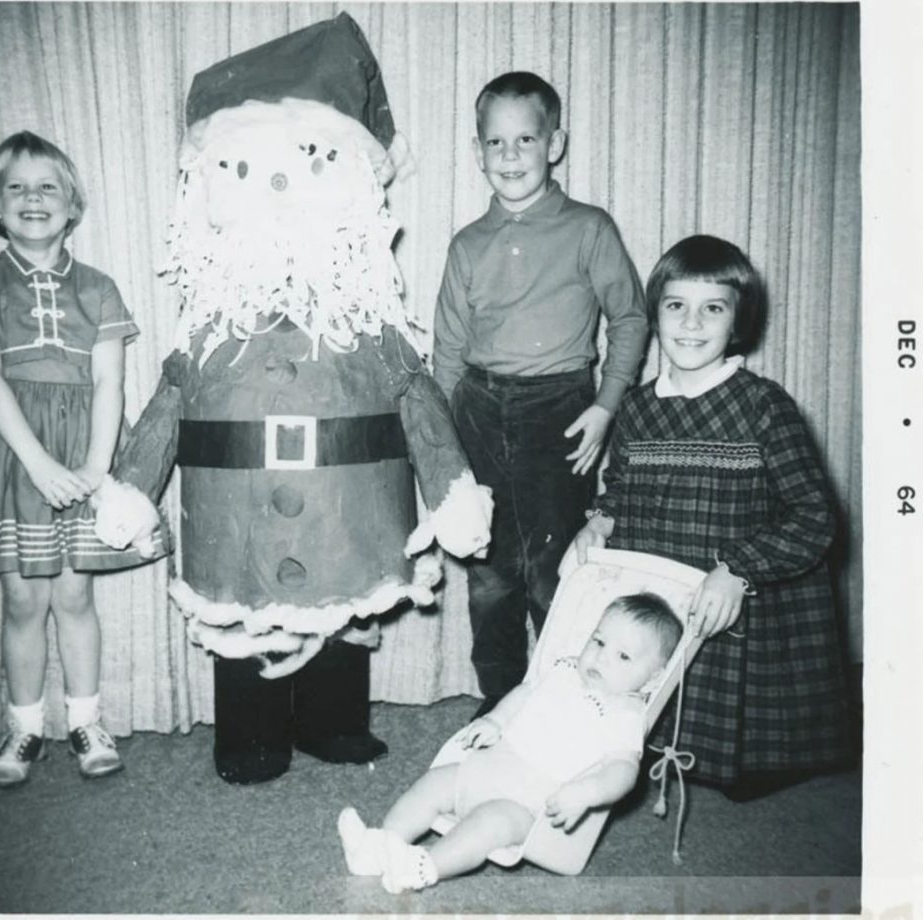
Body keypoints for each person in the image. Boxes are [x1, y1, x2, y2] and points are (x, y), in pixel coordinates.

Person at [561, 234, 854, 801]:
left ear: (737, 322)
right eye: (676, 306)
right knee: (650, 704)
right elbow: (619, 488)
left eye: (712, 308)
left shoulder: (764, 405)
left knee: (748, 774)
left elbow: (816, 516)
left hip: (739, 598)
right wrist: (600, 519)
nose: (691, 324)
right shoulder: (638, 408)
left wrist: (738, 569)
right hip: (668, 592)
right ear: (656, 315)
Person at [0, 131, 164, 788]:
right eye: (16, 187)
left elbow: (109, 383)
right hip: (11, 452)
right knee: (20, 597)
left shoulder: (96, 287)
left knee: (74, 592)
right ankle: (24, 728)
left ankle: (86, 722)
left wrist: (96, 470)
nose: (32, 198)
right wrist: (38, 465)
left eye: (48, 187)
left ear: (72, 205)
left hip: (83, 446)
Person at [431, 71, 648, 716]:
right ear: (477, 153)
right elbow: (446, 351)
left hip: (562, 411)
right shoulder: (467, 245)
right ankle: (500, 698)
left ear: (555, 144)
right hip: (478, 409)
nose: (511, 156)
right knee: (491, 570)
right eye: (495, 143)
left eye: (526, 139)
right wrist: (443, 454)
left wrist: (605, 406)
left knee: (554, 570)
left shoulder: (588, 229)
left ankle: (563, 695)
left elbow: (631, 318)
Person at [336, 592, 682, 892]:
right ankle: (381, 845)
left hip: (529, 806)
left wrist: (586, 793)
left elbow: (623, 770)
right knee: (433, 783)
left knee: (488, 826)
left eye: (623, 657)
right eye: (599, 641)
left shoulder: (625, 712)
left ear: (652, 679)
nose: (602, 657)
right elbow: (525, 692)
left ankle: (424, 867)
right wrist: (495, 720)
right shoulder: (564, 671)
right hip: (487, 768)